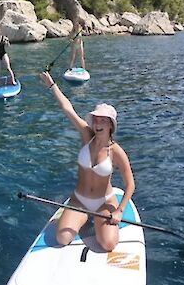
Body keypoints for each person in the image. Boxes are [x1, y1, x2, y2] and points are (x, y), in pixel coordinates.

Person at [38, 71, 135, 252]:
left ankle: (98, 222)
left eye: (103, 121)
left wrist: (119, 210)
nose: (98, 123)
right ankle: (80, 218)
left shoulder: (116, 152)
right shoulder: (86, 135)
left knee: (108, 244)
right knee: (62, 238)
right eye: (96, 119)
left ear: (110, 125)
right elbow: (68, 109)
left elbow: (130, 184)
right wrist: (52, 86)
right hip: (80, 199)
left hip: (103, 202)